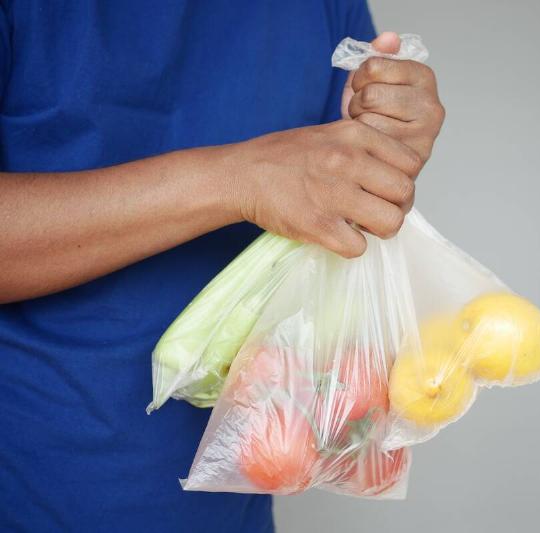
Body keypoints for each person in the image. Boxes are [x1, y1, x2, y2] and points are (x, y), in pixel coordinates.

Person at [0, 2, 444, 531]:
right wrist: (235, 178)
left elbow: (331, 205)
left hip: (236, 495)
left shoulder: (324, 7)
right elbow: (273, 175)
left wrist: (379, 139)